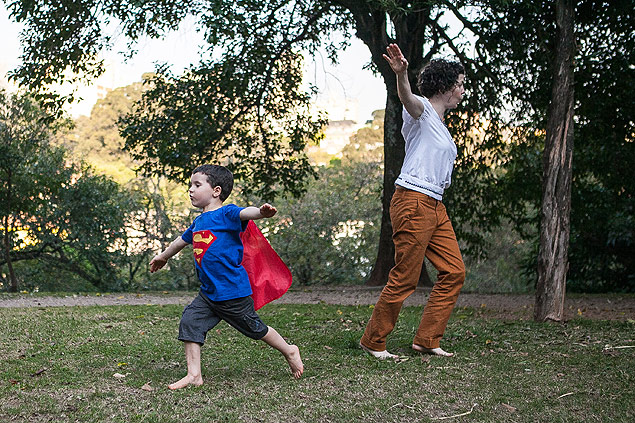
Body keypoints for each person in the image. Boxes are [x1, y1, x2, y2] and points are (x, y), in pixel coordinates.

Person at [150, 164, 303, 389]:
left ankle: (289, 350)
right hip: (209, 293)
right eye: (190, 185)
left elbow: (246, 212)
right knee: (190, 322)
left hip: (232, 291)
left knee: (256, 329)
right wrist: (163, 257)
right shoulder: (198, 222)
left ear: (216, 191)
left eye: (197, 185)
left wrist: (262, 212)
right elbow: (180, 242)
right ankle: (194, 375)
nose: (190, 190)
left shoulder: (227, 213)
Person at [360, 43, 466, 359]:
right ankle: (373, 340)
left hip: (435, 205)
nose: (462, 91)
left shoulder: (443, 128)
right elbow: (406, 98)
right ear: (446, 88)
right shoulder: (422, 111)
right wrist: (402, 73)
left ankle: (427, 339)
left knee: (454, 271)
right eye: (459, 84)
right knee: (405, 277)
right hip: (414, 201)